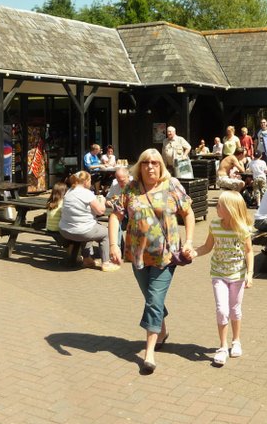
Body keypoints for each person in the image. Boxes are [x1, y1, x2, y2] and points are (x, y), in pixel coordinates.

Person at [107, 148, 194, 374]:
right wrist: (114, 245)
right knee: (151, 297)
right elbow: (115, 216)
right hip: (137, 255)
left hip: (166, 256)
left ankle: (149, 353)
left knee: (154, 300)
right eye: (146, 162)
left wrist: (190, 241)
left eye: (155, 162)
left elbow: (188, 213)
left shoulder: (172, 185)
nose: (150, 166)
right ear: (140, 166)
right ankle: (162, 330)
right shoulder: (131, 188)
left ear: (161, 166)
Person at [191, 190, 253, 367]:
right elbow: (207, 247)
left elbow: (249, 252)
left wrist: (249, 274)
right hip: (218, 273)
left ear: (230, 209)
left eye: (220, 205)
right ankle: (223, 346)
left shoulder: (243, 229)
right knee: (222, 309)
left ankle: (236, 341)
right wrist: (194, 253)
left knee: (235, 309)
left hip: (238, 275)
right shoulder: (215, 225)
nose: (216, 208)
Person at [59, 171, 114, 271]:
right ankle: (106, 263)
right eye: (90, 181)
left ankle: (87, 259)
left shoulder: (69, 191)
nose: (91, 183)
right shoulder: (87, 193)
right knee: (106, 233)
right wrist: (102, 201)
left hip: (65, 230)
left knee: (89, 226)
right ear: (85, 181)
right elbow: (100, 211)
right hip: (80, 231)